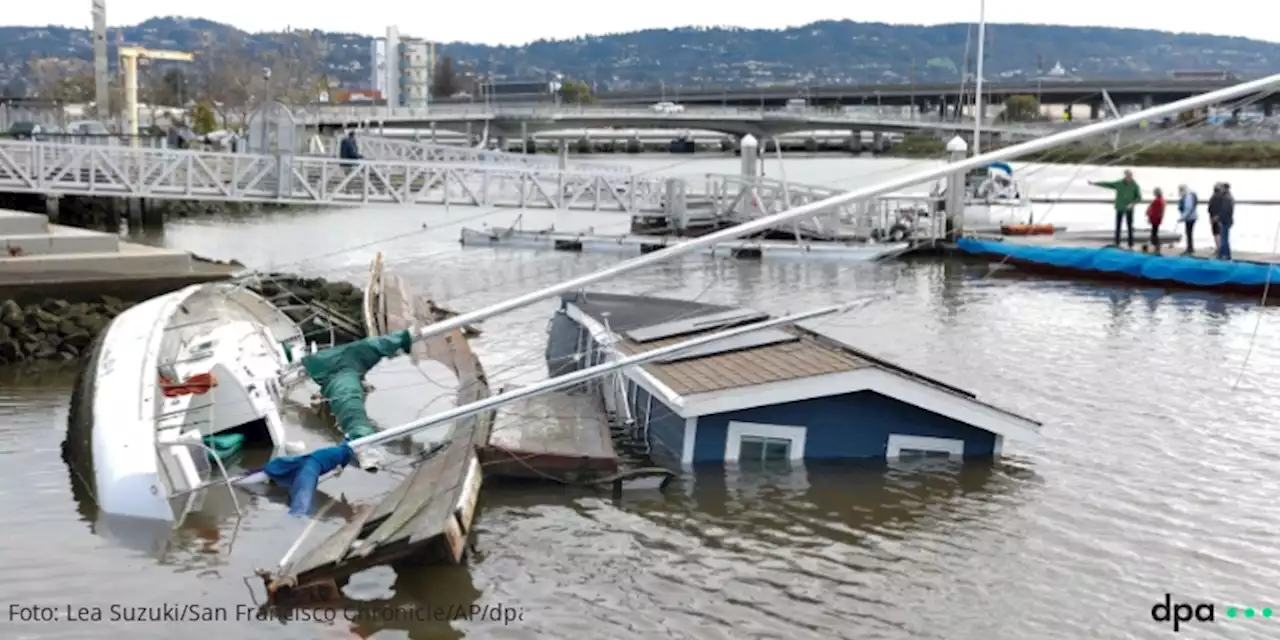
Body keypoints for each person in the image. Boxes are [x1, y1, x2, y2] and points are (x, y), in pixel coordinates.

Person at [1090, 170, 1142, 249]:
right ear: (1125, 175)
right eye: (1127, 176)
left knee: (1130, 226)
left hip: (1129, 209)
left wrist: (1132, 203)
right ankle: (1117, 243)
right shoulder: (1119, 183)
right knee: (1118, 226)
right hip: (1120, 207)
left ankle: (1130, 244)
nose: (1129, 177)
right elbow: (1107, 184)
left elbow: (1139, 198)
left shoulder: (1135, 185)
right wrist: (1094, 183)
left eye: (1130, 176)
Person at [1176, 184, 1198, 255]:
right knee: (1189, 233)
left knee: (1189, 233)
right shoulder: (1188, 195)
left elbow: (1188, 208)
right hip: (1191, 217)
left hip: (1190, 218)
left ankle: (1190, 249)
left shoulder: (1188, 196)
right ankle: (1190, 248)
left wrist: (1182, 218)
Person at [1215, 183, 1235, 260]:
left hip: (1225, 221)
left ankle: (1225, 254)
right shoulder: (1229, 197)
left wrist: (1219, 217)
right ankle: (1223, 254)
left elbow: (1225, 210)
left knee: (1224, 238)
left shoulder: (1226, 198)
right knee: (1224, 238)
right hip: (1228, 220)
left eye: (1222, 188)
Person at [1144, 188, 1166, 253]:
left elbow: (1154, 210)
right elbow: (1157, 210)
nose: (1153, 193)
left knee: (1154, 233)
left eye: (1154, 192)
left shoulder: (1157, 201)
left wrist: (1149, 216)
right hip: (1157, 218)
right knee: (1154, 232)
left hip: (1155, 219)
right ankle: (1156, 245)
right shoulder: (1161, 200)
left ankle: (1157, 244)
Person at [1207, 183, 1225, 255]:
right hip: (1220, 218)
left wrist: (1211, 218)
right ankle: (1220, 248)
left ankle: (1218, 249)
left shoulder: (1213, 198)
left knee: (1216, 233)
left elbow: (1210, 209)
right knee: (1220, 234)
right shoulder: (1222, 197)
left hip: (1214, 217)